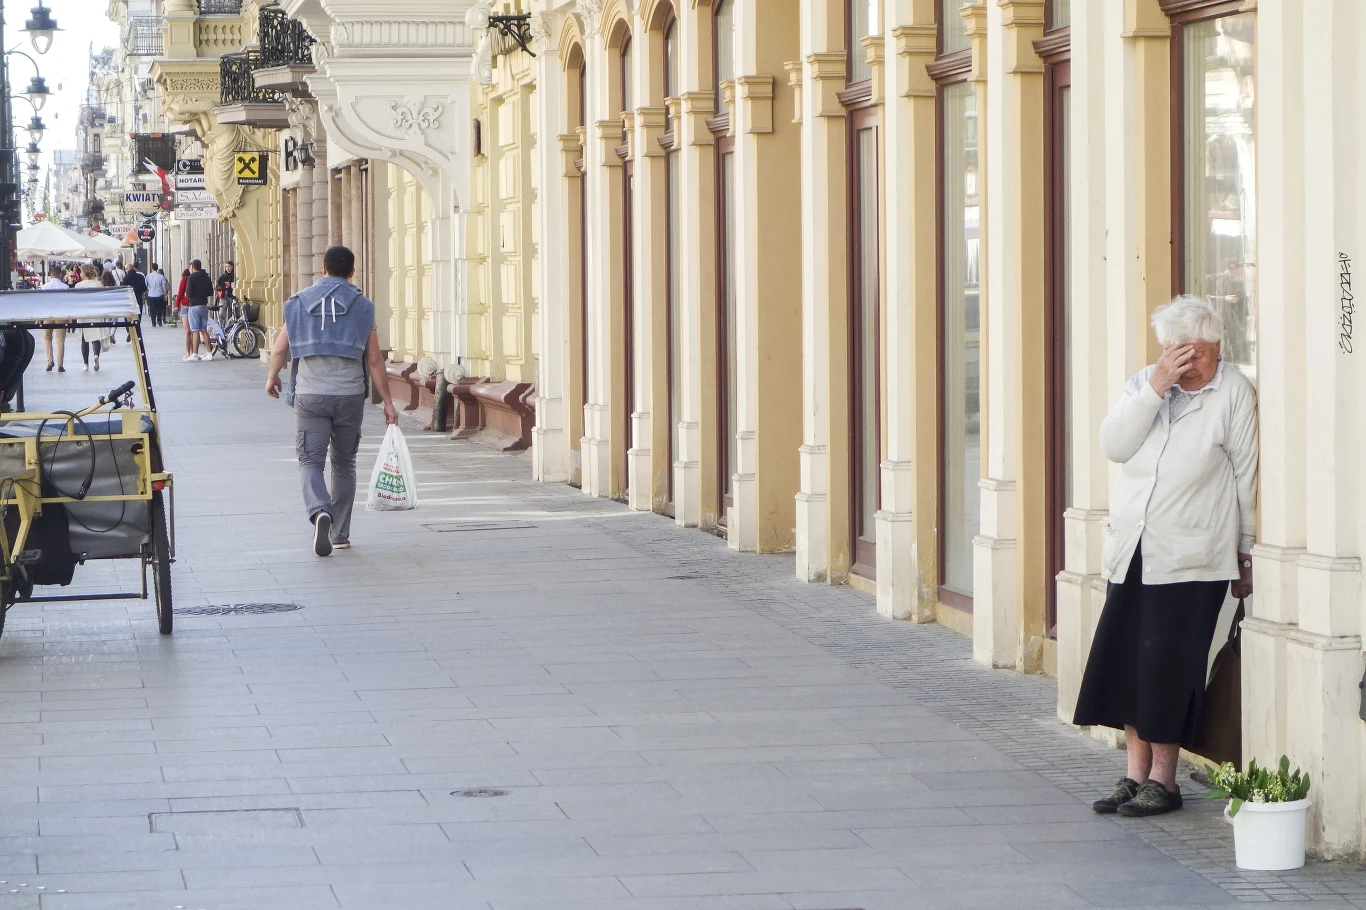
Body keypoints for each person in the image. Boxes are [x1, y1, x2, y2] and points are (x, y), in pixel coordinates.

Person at [1073, 295, 1258, 819]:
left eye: (1195, 353)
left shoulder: (1234, 393)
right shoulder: (1146, 384)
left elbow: (1246, 479)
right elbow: (1115, 444)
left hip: (1192, 556)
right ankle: (1134, 776)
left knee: (1167, 669)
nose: (1186, 363)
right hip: (1133, 550)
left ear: (1217, 348)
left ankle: (1165, 781)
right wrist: (1155, 388)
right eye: (1176, 352)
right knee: (1128, 664)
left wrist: (1246, 554)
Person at [265, 245, 398, 557]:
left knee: (310, 461)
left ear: (322, 269)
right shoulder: (363, 306)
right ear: (351, 272)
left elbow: (280, 348)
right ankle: (339, 533)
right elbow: (375, 360)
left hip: (310, 395)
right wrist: (388, 402)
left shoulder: (297, 303)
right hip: (350, 395)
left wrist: (272, 376)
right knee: (344, 462)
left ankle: (318, 509)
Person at [73, 266, 108, 372]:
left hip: (84, 313)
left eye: (81, 271)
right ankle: (96, 356)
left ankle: (85, 364)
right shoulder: (98, 284)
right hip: (96, 313)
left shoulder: (78, 285)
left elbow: (76, 300)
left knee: (84, 339)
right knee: (95, 336)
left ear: (85, 272)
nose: (80, 273)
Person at [182, 259, 215, 362]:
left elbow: (189, 293)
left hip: (194, 306)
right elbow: (211, 292)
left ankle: (195, 354)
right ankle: (209, 353)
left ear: (193, 267)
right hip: (204, 305)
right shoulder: (206, 277)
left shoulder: (191, 278)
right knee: (204, 330)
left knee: (195, 330)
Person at [40, 265, 68, 372]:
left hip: (48, 315)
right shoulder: (65, 287)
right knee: (60, 341)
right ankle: (60, 365)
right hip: (61, 315)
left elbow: (42, 303)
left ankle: (50, 361)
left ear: (51, 274)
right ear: (60, 274)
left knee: (47, 338)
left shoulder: (44, 287)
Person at [121, 263, 148, 341]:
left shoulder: (126, 278)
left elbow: (123, 289)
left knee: (127, 316)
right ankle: (136, 328)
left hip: (128, 299)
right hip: (138, 298)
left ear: (128, 269)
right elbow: (144, 288)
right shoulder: (140, 277)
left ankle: (129, 330)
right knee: (138, 315)